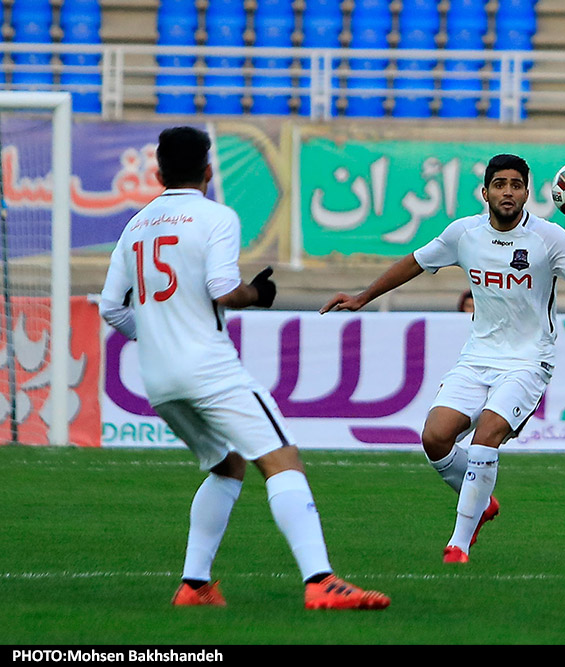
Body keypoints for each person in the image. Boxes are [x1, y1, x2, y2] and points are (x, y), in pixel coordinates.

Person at [99, 127, 389, 610]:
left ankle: (194, 585)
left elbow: (112, 308)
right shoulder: (216, 216)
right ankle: (320, 581)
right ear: (209, 171)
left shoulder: (136, 226)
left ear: (158, 174)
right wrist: (258, 293)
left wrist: (158, 336)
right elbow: (223, 289)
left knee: (227, 465)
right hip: (208, 368)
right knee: (281, 458)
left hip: (159, 379)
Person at [321, 154, 565, 563]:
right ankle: (481, 502)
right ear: (485, 192)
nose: (507, 192)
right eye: (499, 184)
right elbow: (415, 262)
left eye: (516, 185)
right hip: (477, 358)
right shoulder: (464, 234)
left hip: (529, 361)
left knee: (485, 437)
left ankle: (458, 542)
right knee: (434, 438)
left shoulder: (549, 238)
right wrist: (362, 296)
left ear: (527, 193)